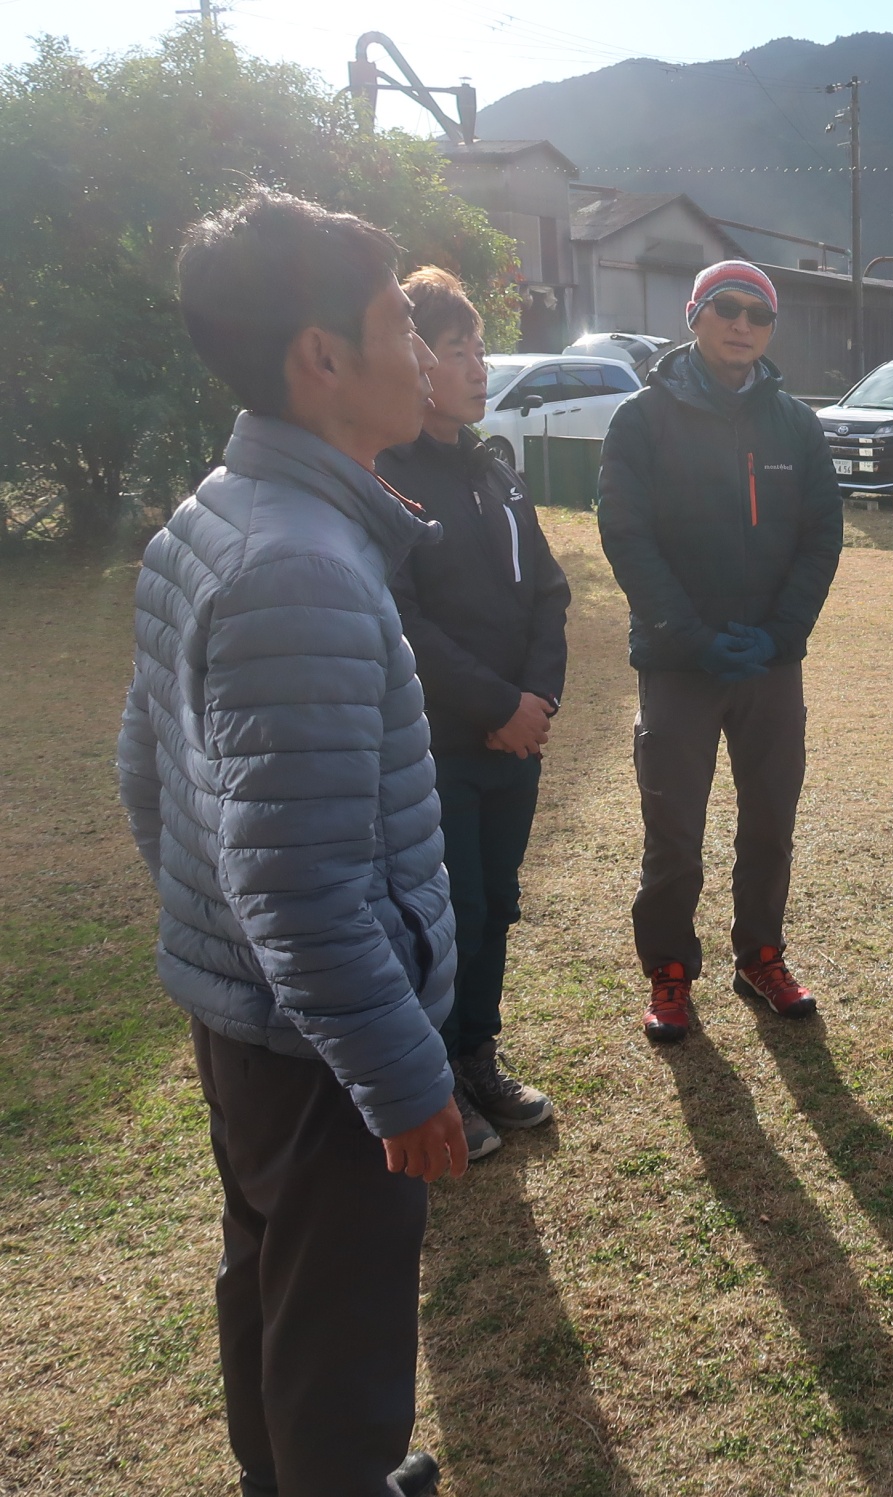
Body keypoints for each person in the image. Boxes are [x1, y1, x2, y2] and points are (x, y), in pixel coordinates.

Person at [117, 189, 461, 1497]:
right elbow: (302, 889)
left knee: (273, 1274)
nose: (421, 353)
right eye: (396, 325)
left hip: (254, 1020)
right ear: (322, 357)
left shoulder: (219, 511)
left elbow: (148, 770)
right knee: (340, 1334)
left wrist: (219, 947)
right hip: (318, 1044)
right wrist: (400, 1075)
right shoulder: (299, 568)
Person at [597, 261, 844, 1041]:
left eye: (758, 314)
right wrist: (690, 637)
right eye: (726, 308)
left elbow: (821, 535)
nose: (742, 324)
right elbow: (626, 534)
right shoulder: (642, 418)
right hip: (679, 664)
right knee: (673, 829)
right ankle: (669, 971)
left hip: (770, 663)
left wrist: (781, 634)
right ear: (694, 315)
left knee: (770, 820)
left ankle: (760, 954)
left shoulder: (795, 423)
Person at [377, 267, 569, 1162]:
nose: (478, 368)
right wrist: (496, 705)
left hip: (514, 744)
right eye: (458, 351)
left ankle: (479, 1055)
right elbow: (402, 618)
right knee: (443, 909)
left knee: (495, 901)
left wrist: (537, 701)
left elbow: (550, 593)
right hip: (440, 745)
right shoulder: (389, 478)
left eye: (480, 350)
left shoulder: (496, 472)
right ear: (414, 360)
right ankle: (440, 1071)